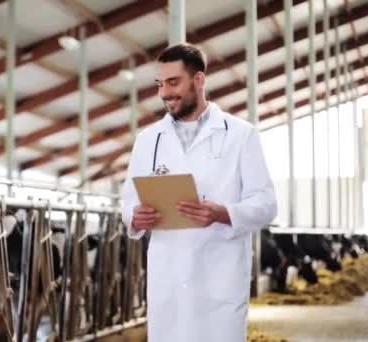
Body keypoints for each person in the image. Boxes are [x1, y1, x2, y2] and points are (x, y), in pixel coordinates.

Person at [121, 43, 278, 341]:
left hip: (219, 280)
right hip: (168, 279)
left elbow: (267, 204)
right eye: (160, 83)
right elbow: (128, 202)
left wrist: (224, 213)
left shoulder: (241, 135)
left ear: (199, 80)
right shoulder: (148, 140)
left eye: (173, 82)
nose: (163, 93)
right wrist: (135, 217)